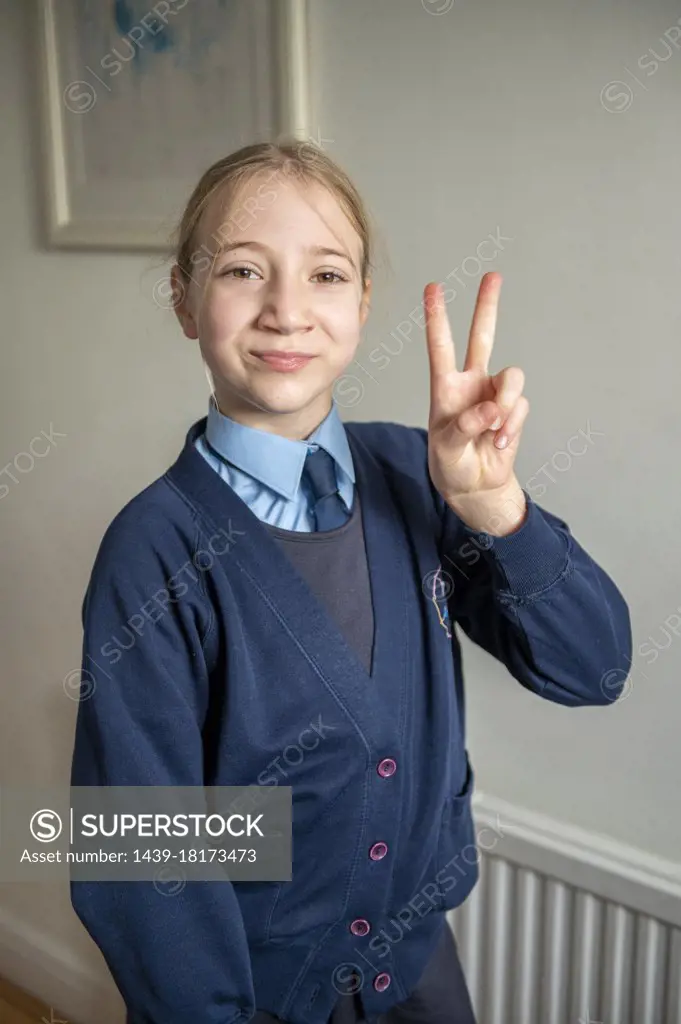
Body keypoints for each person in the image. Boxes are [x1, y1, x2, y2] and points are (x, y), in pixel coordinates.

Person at [69, 139, 633, 1024]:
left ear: (365, 304)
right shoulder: (153, 549)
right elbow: (142, 858)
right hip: (246, 1000)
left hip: (414, 976)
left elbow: (593, 667)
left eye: (326, 276)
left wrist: (493, 505)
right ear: (183, 298)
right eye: (244, 271)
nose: (286, 311)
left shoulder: (420, 473)